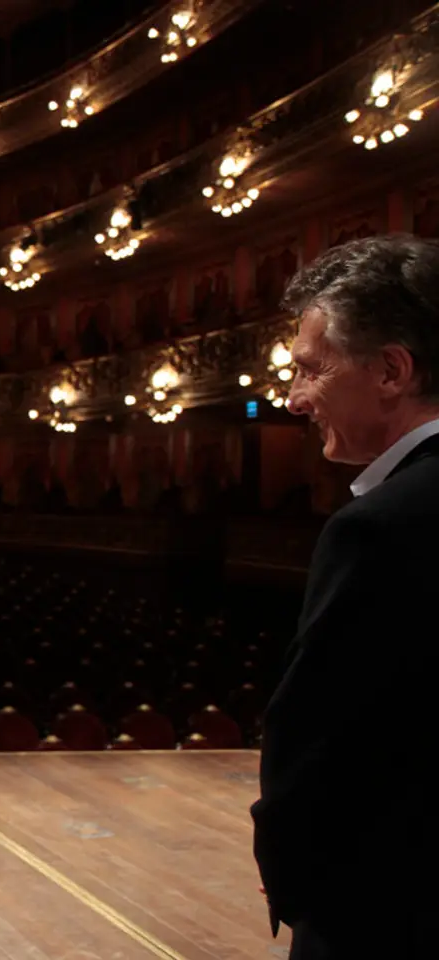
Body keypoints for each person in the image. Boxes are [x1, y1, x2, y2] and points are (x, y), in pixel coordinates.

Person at [251, 234, 437, 957]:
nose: (294, 399)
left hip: (386, 908)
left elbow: (318, 736)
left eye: (310, 369)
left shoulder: (381, 526)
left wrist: (290, 874)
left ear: (391, 370)